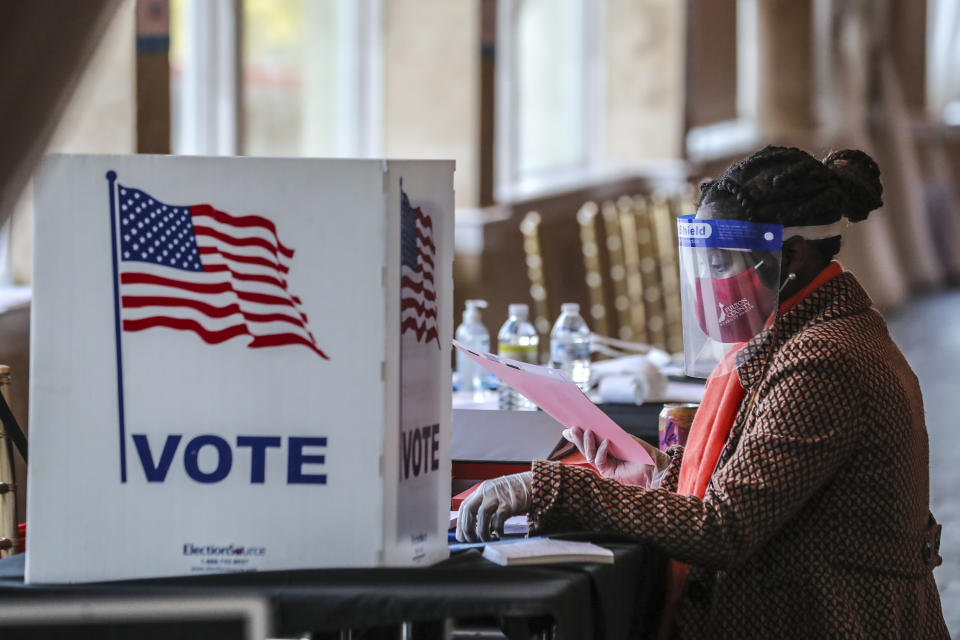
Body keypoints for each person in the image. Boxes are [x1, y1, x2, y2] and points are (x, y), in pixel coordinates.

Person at [456, 146, 948, 638]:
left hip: (844, 620)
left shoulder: (822, 360)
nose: (712, 282)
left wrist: (552, 488)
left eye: (723, 262)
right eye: (705, 263)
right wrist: (661, 475)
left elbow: (724, 529)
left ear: (791, 256)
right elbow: (763, 488)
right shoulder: (803, 332)